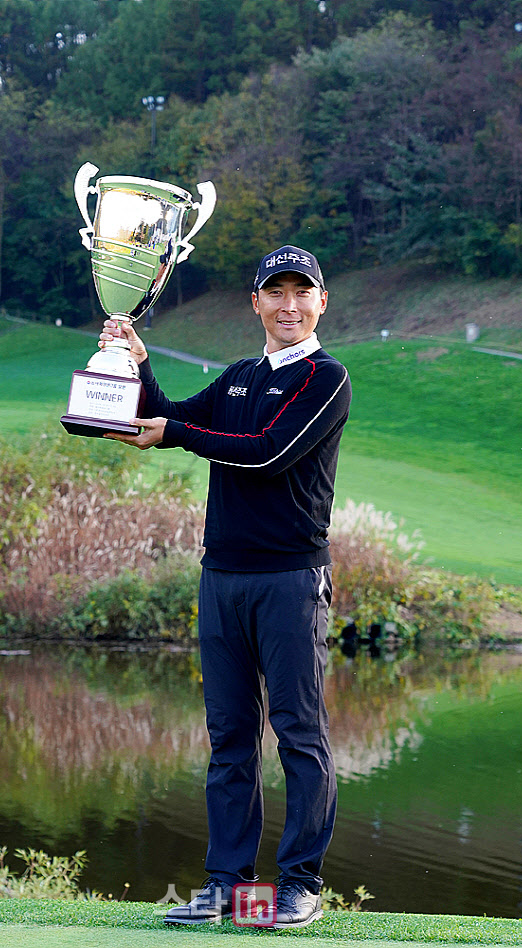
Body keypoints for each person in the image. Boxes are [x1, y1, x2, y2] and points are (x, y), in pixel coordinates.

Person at [98, 245, 351, 929]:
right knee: (229, 737)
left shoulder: (325, 378)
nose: (289, 305)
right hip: (224, 577)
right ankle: (230, 888)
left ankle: (300, 886)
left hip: (291, 580)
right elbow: (169, 414)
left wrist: (175, 431)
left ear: (321, 303)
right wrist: (137, 361)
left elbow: (266, 452)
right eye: (277, 293)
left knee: (299, 734)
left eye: (303, 293)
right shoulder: (240, 376)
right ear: (257, 303)